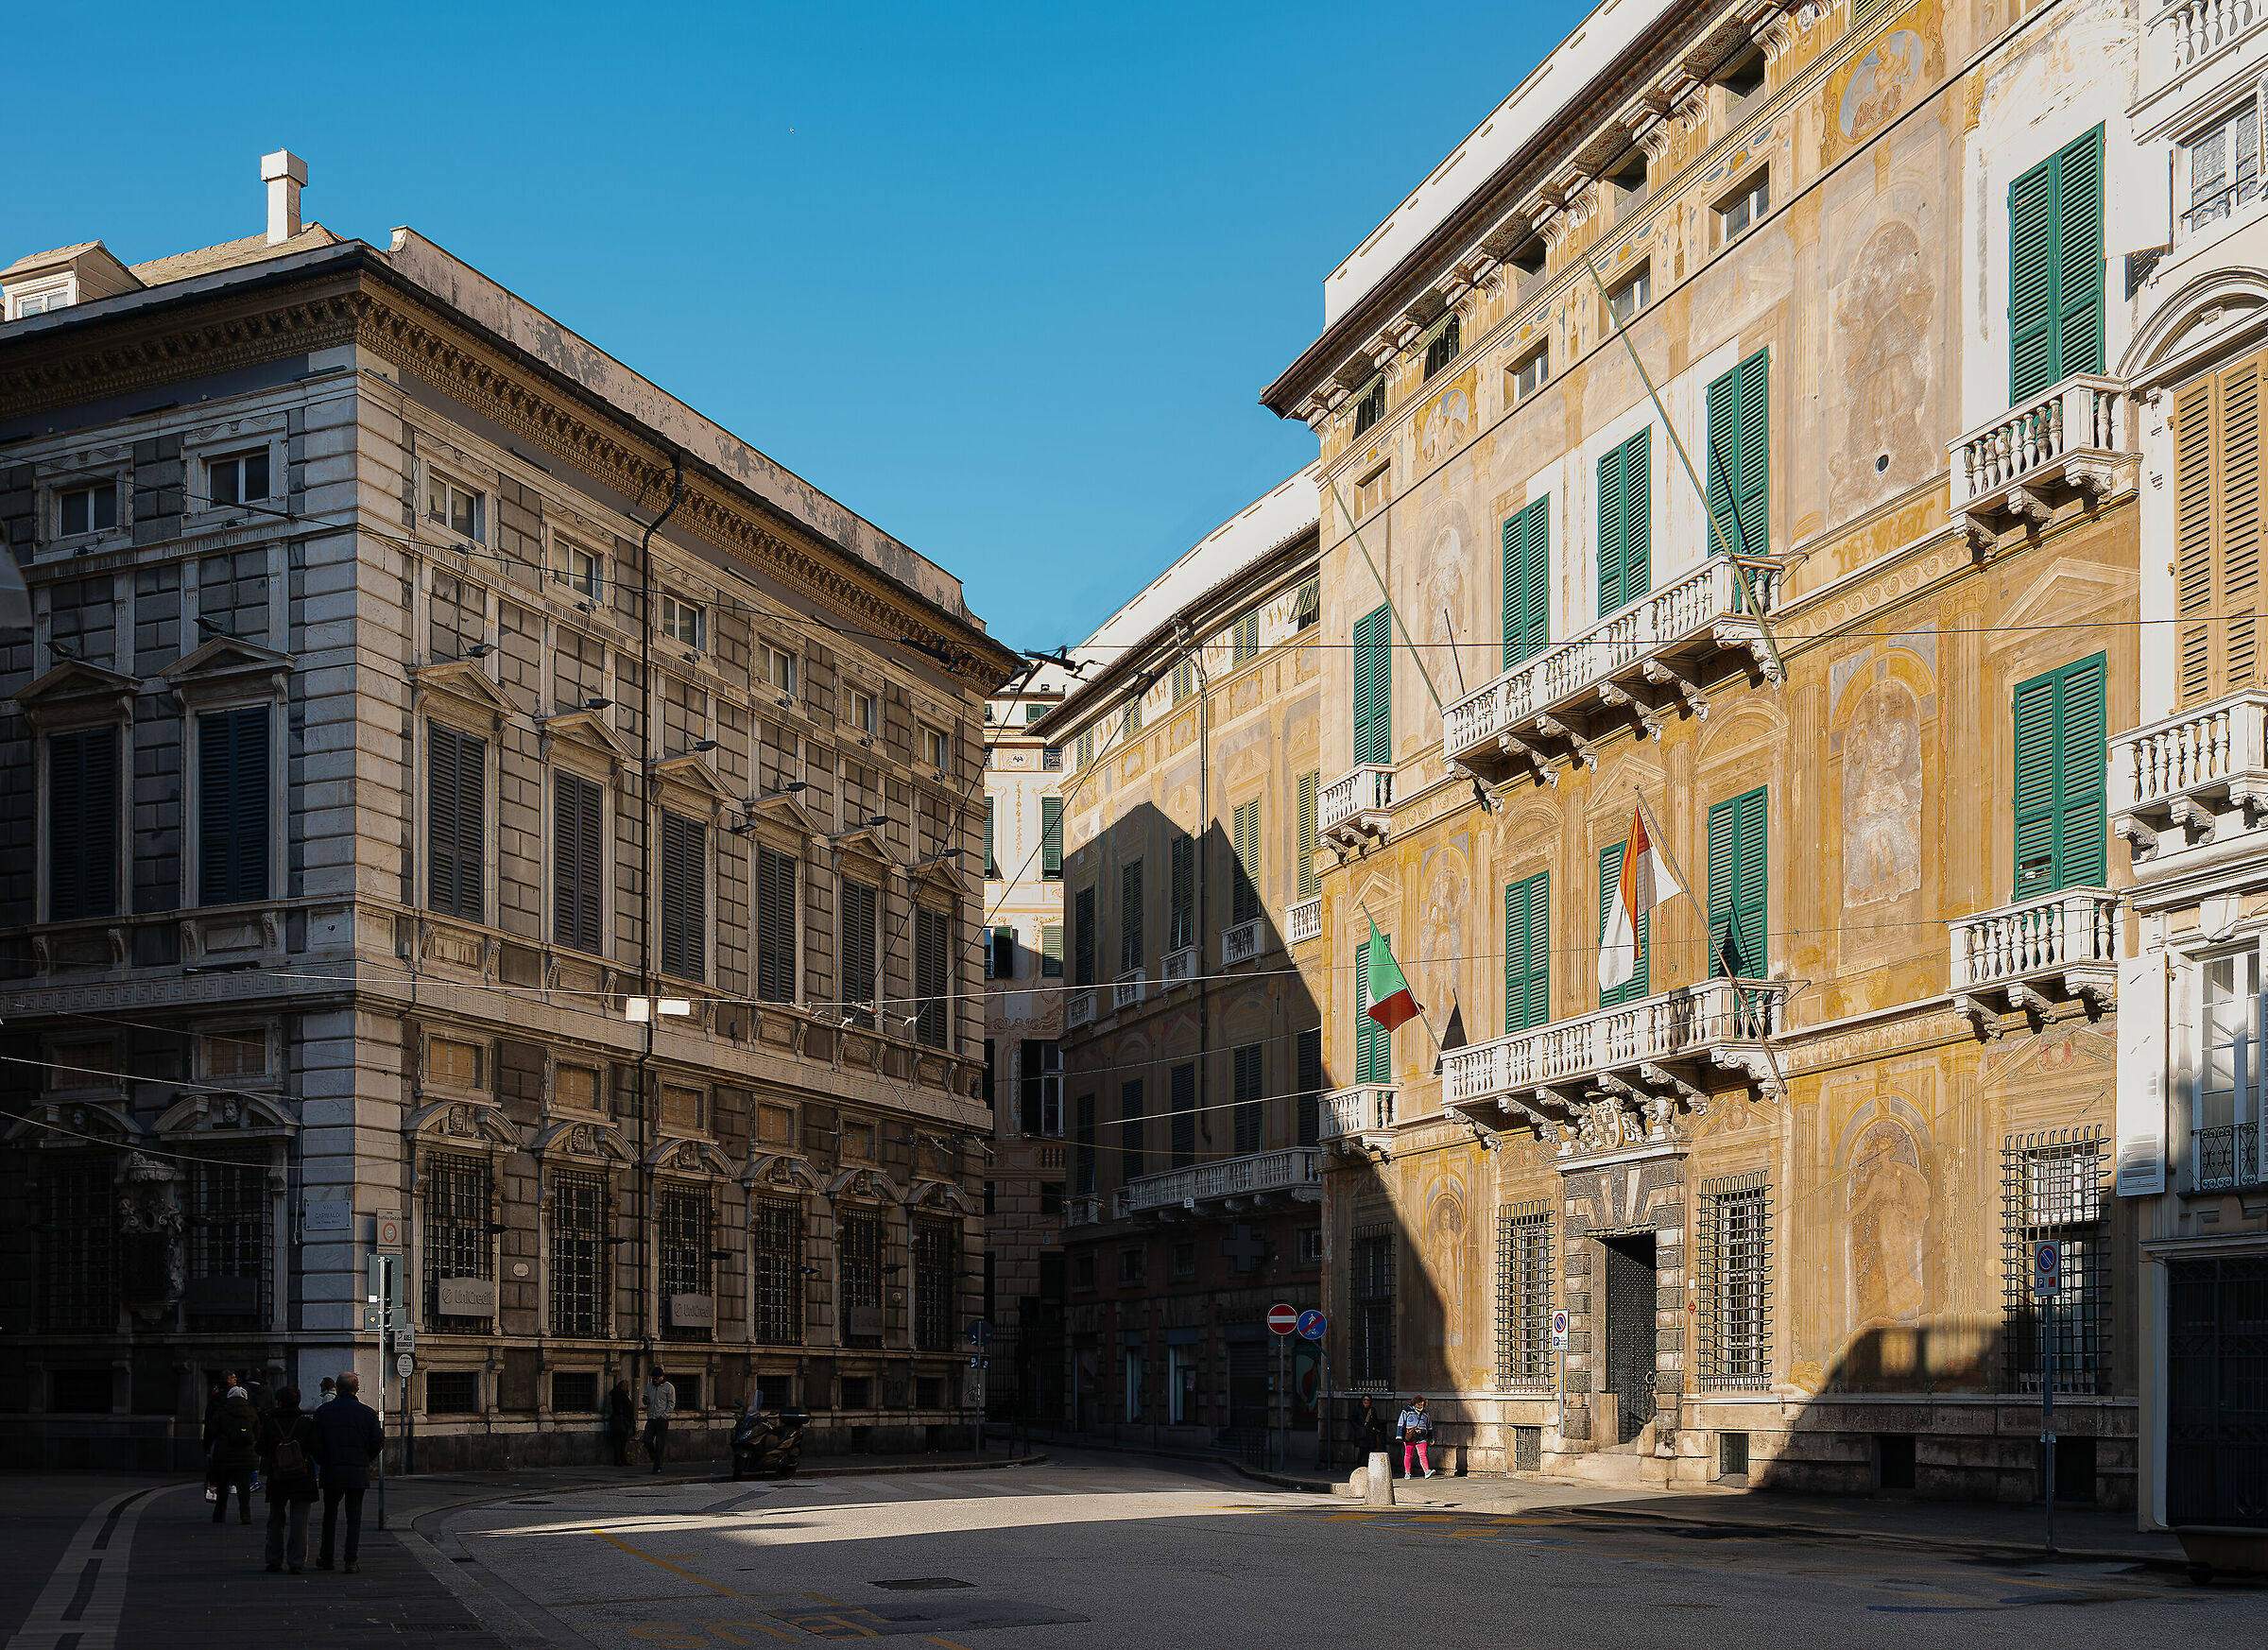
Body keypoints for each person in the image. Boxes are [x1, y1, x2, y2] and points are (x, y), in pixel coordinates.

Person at [310, 1369, 384, 1573]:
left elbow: (314, 1443)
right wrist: (364, 1459)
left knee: (329, 1515)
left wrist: (324, 1461)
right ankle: (350, 1560)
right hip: (356, 1471)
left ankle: (327, 1557)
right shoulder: (368, 1413)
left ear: (338, 1388)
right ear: (356, 1389)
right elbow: (377, 1442)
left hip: (332, 1470)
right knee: (354, 1517)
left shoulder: (324, 1412)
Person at [258, 1385, 321, 1573]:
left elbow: (260, 1449)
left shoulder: (270, 1423)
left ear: (279, 1402)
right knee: (300, 1520)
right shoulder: (306, 1423)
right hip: (301, 1477)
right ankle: (296, 1561)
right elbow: (316, 1450)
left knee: (275, 1519)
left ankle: (274, 1559)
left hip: (278, 1477)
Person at [206, 1387, 260, 1523]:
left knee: (223, 1486)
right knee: (243, 1487)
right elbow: (257, 1432)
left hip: (224, 1455)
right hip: (245, 1455)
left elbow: (213, 1429)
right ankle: (245, 1515)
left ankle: (219, 1514)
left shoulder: (222, 1411)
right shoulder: (251, 1412)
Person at [642, 1366, 676, 1474]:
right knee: (647, 1440)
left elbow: (671, 1403)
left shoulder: (669, 1387)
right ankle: (654, 1456)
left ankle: (658, 1467)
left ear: (661, 1377)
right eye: (653, 1378)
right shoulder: (649, 1386)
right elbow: (646, 1400)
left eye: (656, 1378)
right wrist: (645, 1400)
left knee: (660, 1444)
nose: (655, 1380)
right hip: (651, 1418)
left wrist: (665, 1415)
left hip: (661, 1419)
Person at [1397, 1396, 1435, 1479]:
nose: (1420, 1406)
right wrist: (1399, 1436)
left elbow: (1429, 1426)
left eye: (1422, 1405)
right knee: (1408, 1455)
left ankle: (1426, 1471)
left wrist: (1431, 1438)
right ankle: (1407, 1472)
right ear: (1414, 1403)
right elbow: (1401, 1423)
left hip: (1422, 1437)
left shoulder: (1425, 1413)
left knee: (1422, 1454)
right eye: (1419, 1404)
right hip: (1410, 1436)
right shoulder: (1406, 1411)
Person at [604, 1380, 634, 1468]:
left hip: (617, 1420)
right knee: (621, 1441)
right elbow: (628, 1409)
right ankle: (620, 1459)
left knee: (619, 1441)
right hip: (622, 1421)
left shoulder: (615, 1395)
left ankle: (620, 1459)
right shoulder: (622, 1396)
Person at [1354, 1396, 1388, 1464]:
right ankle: (1359, 1466)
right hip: (1362, 1433)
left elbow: (1375, 1420)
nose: (1366, 1401)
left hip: (1370, 1433)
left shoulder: (1372, 1410)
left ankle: (1368, 1465)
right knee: (1362, 1450)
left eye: (1368, 1400)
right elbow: (1353, 1419)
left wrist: (1374, 1427)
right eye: (1364, 1400)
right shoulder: (1358, 1409)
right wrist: (1358, 1427)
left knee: (1370, 1450)